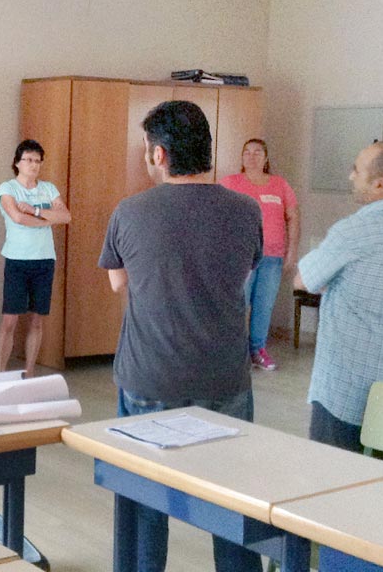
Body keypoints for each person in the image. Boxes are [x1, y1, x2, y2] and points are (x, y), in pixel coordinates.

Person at [98, 101, 263, 572]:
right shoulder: (245, 209)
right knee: (232, 502)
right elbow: (246, 270)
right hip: (225, 377)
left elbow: (117, 281)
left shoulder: (130, 211)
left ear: (160, 154)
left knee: (145, 502)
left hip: (151, 376)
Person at [295, 140, 383, 453]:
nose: (350, 176)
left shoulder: (353, 231)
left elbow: (304, 279)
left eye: (357, 170)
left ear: (379, 184)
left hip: (348, 389)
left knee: (333, 483)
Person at [220, 139, 299, 371]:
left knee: (264, 304)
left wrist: (291, 251)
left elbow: (293, 216)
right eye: (247, 152)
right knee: (238, 303)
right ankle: (232, 352)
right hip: (240, 256)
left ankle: (257, 349)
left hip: (272, 256)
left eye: (257, 152)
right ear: (241, 157)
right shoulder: (229, 183)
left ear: (266, 158)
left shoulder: (279, 185)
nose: (251, 156)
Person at [0, 140, 70, 378]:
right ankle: (1, 372)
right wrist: (49, 219)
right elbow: (16, 217)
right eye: (28, 160)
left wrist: (36, 211)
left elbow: (66, 216)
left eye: (38, 161)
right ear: (17, 162)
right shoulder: (8, 188)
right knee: (10, 321)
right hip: (17, 260)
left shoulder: (48, 188)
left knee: (37, 320)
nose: (33, 165)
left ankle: (30, 371)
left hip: (44, 260)